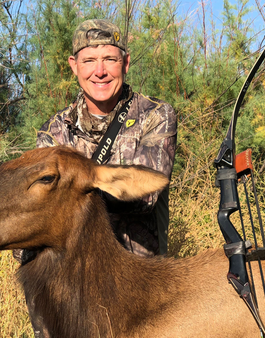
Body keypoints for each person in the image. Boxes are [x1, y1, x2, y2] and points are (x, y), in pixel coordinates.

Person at [27, 19, 177, 259]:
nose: (100, 71)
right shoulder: (53, 132)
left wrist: (65, 197)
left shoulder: (155, 115)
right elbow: (37, 207)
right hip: (75, 272)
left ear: (125, 63)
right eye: (89, 61)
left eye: (110, 59)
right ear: (74, 66)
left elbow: (144, 193)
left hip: (141, 275)